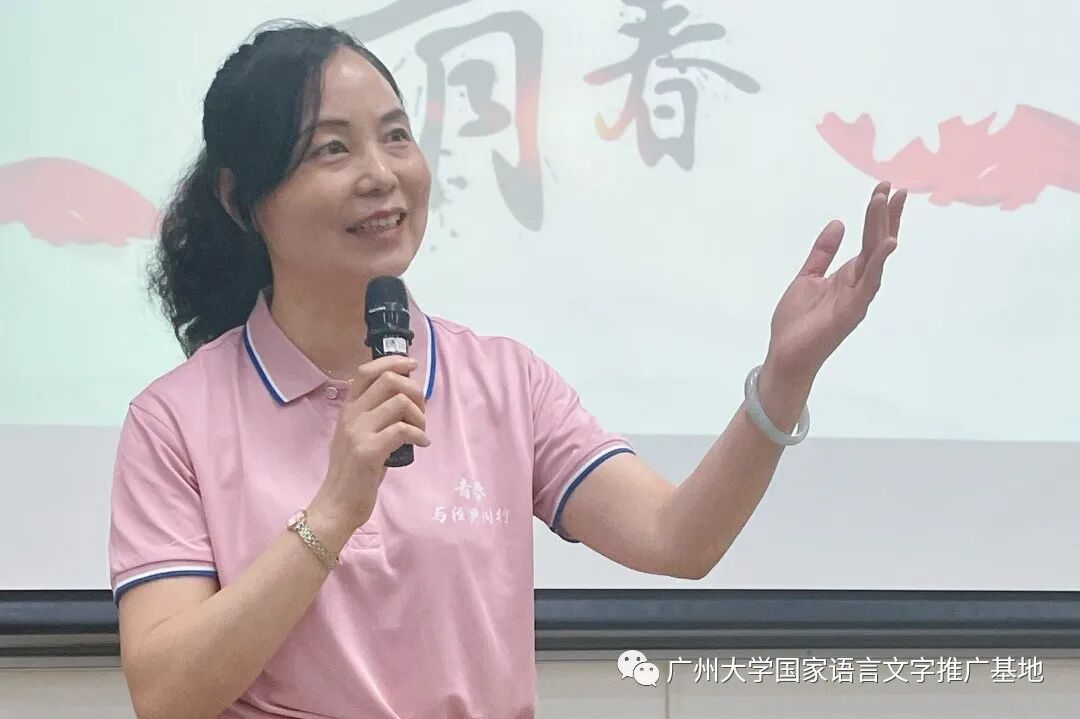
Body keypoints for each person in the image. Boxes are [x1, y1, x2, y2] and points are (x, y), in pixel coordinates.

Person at [108, 20, 907, 719]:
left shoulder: (503, 381)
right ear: (241, 199)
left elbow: (677, 538)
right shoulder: (174, 421)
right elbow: (167, 692)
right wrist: (334, 510)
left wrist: (783, 378)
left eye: (396, 135)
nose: (381, 174)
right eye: (333, 149)